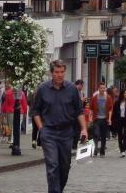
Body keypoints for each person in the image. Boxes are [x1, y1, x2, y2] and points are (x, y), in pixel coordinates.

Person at [34, 61, 87, 193]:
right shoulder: (42, 89)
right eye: (57, 72)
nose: (60, 75)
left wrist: (84, 129)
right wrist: (42, 129)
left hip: (66, 133)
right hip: (49, 133)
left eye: (62, 72)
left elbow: (79, 111)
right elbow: (35, 112)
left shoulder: (72, 89)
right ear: (51, 73)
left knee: (65, 166)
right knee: (53, 166)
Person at [88, 82, 112, 157]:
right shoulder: (95, 97)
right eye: (101, 88)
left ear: (105, 89)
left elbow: (111, 109)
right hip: (96, 119)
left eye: (103, 88)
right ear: (98, 89)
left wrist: (110, 119)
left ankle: (102, 151)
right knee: (96, 134)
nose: (102, 89)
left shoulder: (108, 97)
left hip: (105, 119)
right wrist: (90, 118)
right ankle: (95, 151)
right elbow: (91, 109)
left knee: (103, 136)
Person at [111, 88, 126, 157]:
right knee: (120, 135)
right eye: (124, 93)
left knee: (125, 135)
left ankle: (124, 150)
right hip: (119, 120)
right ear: (122, 94)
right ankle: (121, 149)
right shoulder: (117, 102)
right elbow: (114, 113)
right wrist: (113, 121)